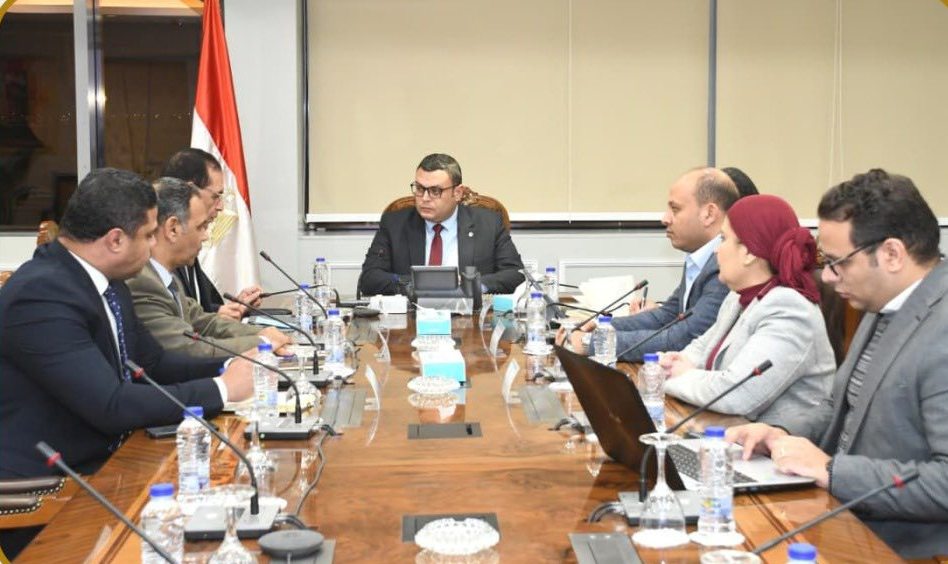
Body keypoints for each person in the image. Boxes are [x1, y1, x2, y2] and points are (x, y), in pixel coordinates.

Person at [726, 170, 948, 558]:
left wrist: (832, 471)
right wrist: (779, 433)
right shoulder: (883, 305)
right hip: (838, 517)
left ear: (892, 254)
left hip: (900, 548)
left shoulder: (941, 328)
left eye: (837, 262)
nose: (827, 277)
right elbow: (839, 409)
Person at [0, 169, 254, 473]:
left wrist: (234, 364)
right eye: (148, 235)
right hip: (58, 480)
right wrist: (222, 389)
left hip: (115, 456)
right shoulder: (40, 296)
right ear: (116, 240)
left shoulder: (109, 282)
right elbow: (110, 405)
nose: (154, 245)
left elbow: (155, 364)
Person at [660, 194, 835, 422]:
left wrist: (672, 377)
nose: (716, 251)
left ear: (750, 253)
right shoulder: (738, 297)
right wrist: (676, 362)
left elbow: (736, 393)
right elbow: (703, 346)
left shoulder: (790, 310)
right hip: (726, 428)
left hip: (774, 441)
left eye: (724, 239)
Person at [564, 167, 739, 361]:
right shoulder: (699, 257)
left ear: (709, 214)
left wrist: (592, 342)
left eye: (675, 209)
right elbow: (667, 315)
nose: (665, 219)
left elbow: (683, 339)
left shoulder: (724, 266)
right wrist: (604, 326)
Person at [126, 178, 291, 357]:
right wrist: (263, 343)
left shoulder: (167, 277)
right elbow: (187, 349)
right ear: (173, 229)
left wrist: (262, 333)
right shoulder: (143, 283)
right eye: (201, 227)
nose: (206, 236)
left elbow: (205, 323)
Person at [359, 153, 525, 295]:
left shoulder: (488, 223)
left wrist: (471, 285)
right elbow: (370, 278)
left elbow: (515, 275)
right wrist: (418, 283)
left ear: (457, 193)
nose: (424, 198)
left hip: (469, 316)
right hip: (412, 316)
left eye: (435, 191)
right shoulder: (395, 224)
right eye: (419, 188)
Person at [162, 148, 262, 321]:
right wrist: (215, 317)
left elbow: (199, 307)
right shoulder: (161, 260)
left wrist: (234, 306)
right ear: (191, 191)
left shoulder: (189, 243)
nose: (221, 206)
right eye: (216, 196)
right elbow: (177, 321)